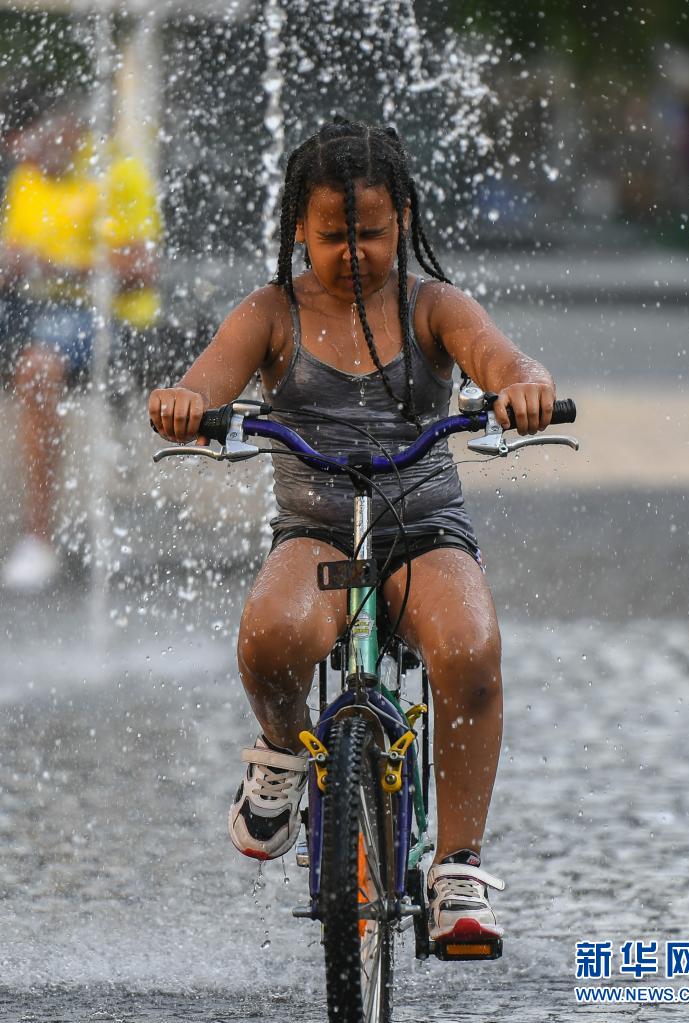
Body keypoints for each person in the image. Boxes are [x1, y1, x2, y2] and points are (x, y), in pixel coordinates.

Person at [148, 120, 555, 944]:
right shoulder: (271, 312)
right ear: (299, 227)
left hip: (423, 528)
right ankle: (280, 750)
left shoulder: (434, 305)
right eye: (333, 236)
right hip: (318, 528)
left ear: (401, 218)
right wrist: (186, 402)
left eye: (369, 232)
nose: (353, 253)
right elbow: (207, 378)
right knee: (270, 634)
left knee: (471, 650)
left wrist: (524, 386)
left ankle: (458, 866)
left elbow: (502, 360)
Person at [0, 75, 161, 592]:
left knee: (36, 369)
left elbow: (143, 269)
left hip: (110, 317)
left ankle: (39, 540)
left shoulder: (115, 169)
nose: (27, 161)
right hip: (35, 307)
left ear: (64, 127)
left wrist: (52, 265)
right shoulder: (27, 178)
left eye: (34, 147)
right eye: (17, 152)